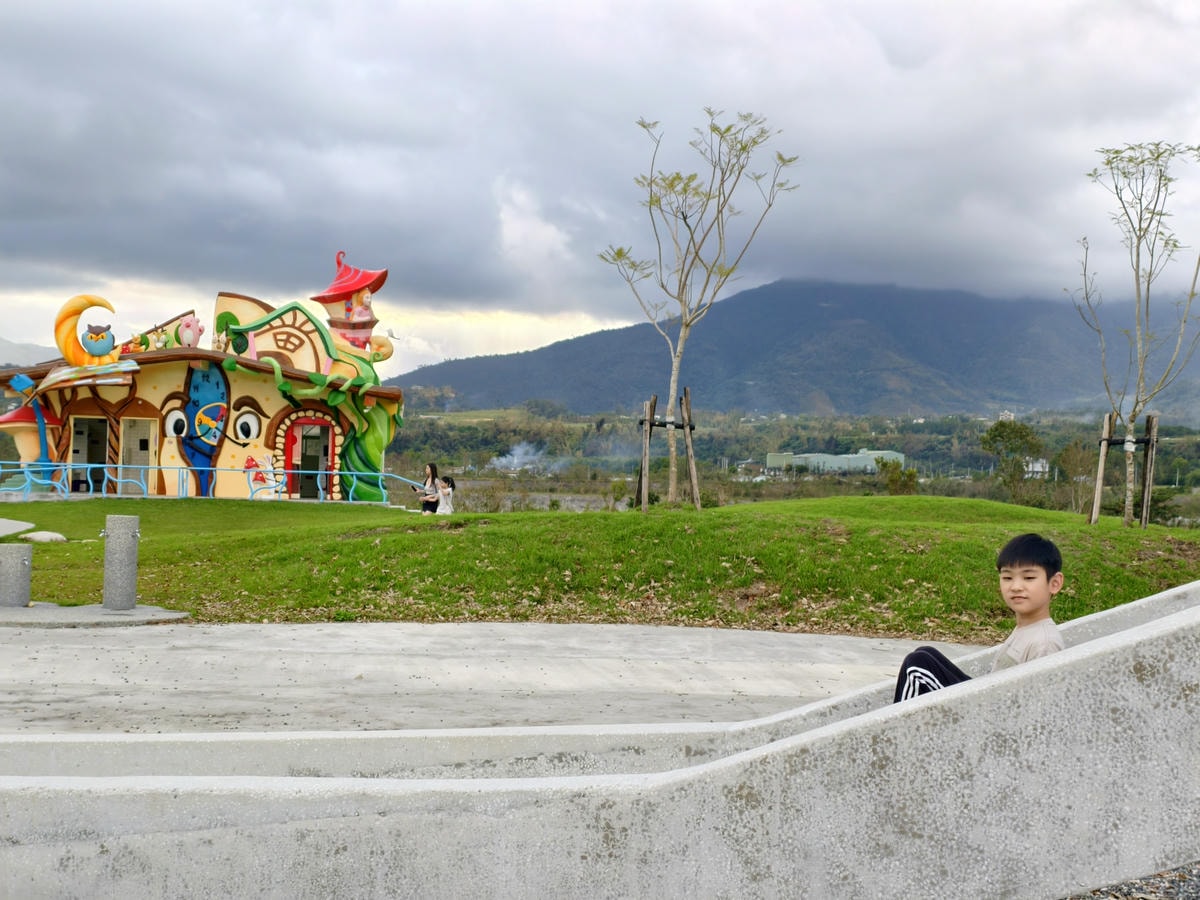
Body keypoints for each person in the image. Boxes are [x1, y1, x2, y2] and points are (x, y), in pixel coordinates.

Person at [893, 533, 1066, 703]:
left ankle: (895, 730)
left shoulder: (1044, 643)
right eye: (1007, 577)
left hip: (992, 720)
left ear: (1054, 583)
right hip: (989, 702)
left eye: (1028, 578)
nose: (1016, 587)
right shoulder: (1026, 628)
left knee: (917, 667)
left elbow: (1039, 707)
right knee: (925, 654)